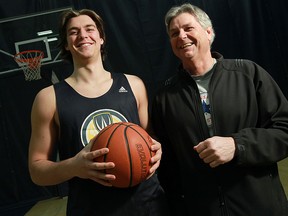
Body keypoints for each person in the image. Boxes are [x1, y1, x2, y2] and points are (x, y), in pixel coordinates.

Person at [151, 3, 288, 216]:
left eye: (188, 28)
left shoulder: (248, 74)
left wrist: (238, 145)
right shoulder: (164, 97)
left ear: (208, 32)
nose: (182, 36)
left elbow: (284, 131)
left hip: (259, 207)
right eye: (174, 33)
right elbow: (168, 167)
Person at [28, 9, 169, 216]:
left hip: (147, 205)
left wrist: (157, 150)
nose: (83, 35)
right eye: (73, 32)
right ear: (66, 44)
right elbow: (36, 171)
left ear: (101, 38)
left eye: (89, 29)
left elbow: (150, 139)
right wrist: (74, 166)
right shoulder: (48, 98)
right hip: (90, 208)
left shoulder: (134, 84)